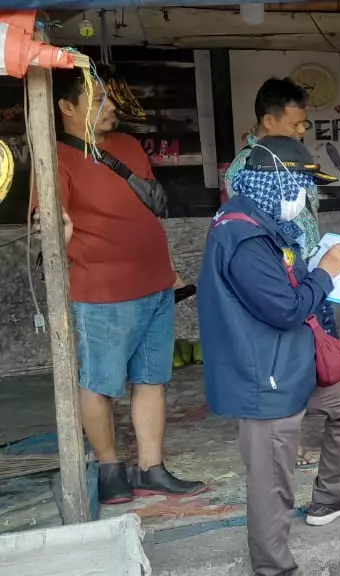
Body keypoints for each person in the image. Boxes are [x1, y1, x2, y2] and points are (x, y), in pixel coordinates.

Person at [199, 136, 340, 576]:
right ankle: (274, 569)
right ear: (275, 181)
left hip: (287, 366)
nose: (305, 195)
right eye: (300, 183)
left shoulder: (262, 221)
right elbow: (285, 307)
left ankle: (329, 497)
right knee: (272, 483)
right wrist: (328, 274)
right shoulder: (245, 235)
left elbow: (289, 274)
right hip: (264, 378)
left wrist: (338, 254)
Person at [49, 67, 206, 504]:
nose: (111, 107)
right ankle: (109, 467)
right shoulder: (55, 158)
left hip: (156, 285)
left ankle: (151, 467)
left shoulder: (129, 146)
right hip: (101, 293)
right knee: (98, 383)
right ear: (66, 107)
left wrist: (169, 268)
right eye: (98, 99)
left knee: (152, 379)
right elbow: (52, 226)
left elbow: (146, 213)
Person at [226, 77, 340, 468]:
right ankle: (290, 443)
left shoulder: (292, 158)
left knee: (324, 358)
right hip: (286, 285)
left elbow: (302, 226)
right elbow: (268, 236)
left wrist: (339, 247)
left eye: (304, 123)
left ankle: (335, 427)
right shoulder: (252, 167)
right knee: (291, 363)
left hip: (312, 273)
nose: (303, 130)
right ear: (268, 122)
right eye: (295, 124)